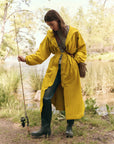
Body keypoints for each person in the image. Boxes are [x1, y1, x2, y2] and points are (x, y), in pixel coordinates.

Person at [18, 9, 87, 138]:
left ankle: (69, 128)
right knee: (46, 96)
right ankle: (45, 128)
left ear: (58, 20)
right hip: (54, 69)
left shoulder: (74, 32)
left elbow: (82, 49)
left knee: (70, 98)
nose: (51, 27)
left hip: (70, 70)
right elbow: (41, 54)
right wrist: (26, 59)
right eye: (49, 25)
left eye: (52, 24)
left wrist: (75, 60)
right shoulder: (50, 36)